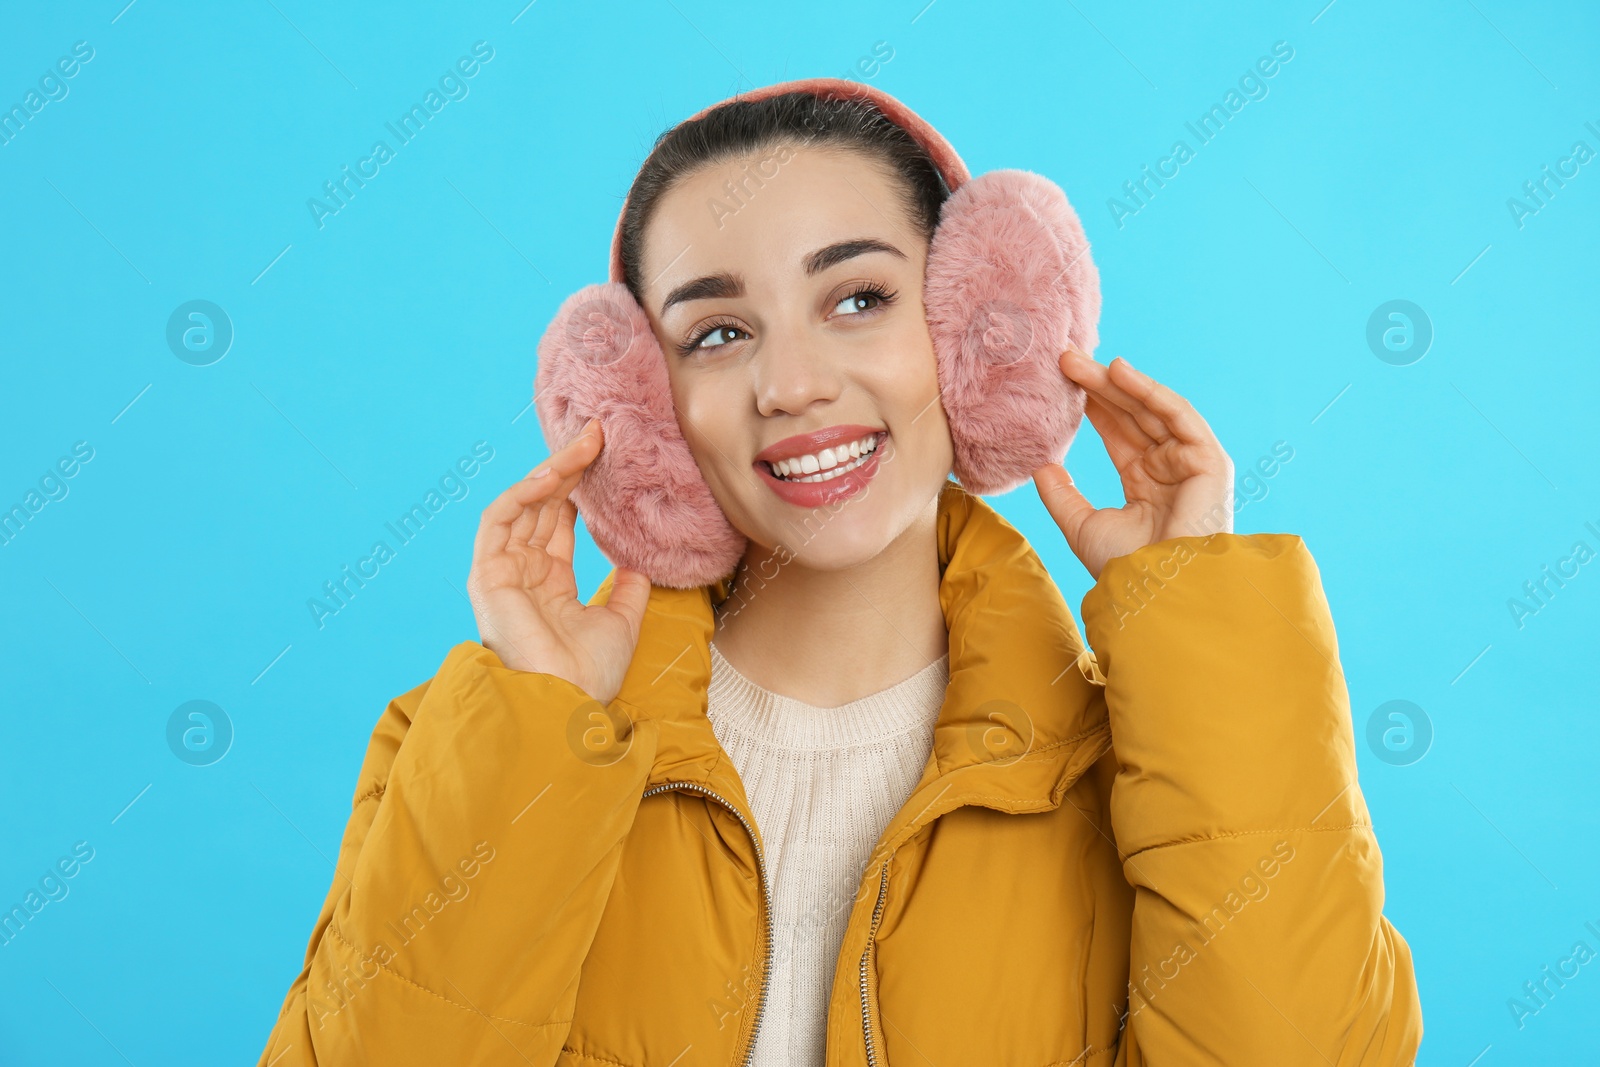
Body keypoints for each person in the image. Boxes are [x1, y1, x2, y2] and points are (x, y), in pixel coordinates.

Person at [257, 80, 1422, 1066]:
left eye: (858, 298)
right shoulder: (472, 744)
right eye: (718, 332)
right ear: (643, 410)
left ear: (980, 337)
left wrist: (1201, 629)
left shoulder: (1133, 769)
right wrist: (541, 724)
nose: (792, 383)